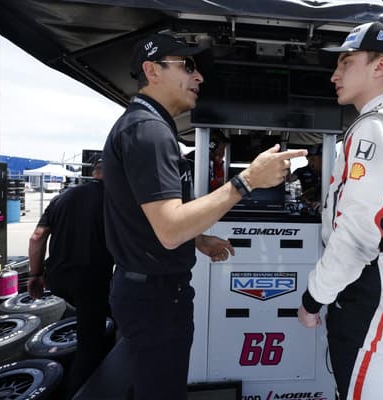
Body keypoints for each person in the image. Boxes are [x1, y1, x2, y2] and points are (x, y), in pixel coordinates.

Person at [102, 33, 307, 400]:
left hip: (148, 291)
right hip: (156, 297)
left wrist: (197, 239)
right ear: (152, 70)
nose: (199, 78)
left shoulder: (145, 127)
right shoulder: (148, 131)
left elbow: (150, 218)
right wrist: (247, 181)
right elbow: (168, 230)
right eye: (188, 66)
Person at [297, 22, 383, 400]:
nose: (334, 75)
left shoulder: (376, 127)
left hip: (374, 282)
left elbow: (357, 237)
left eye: (346, 62)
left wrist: (314, 298)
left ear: (379, 65)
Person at [27, 158, 113, 399]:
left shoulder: (62, 197)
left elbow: (37, 237)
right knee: (90, 345)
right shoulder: (115, 200)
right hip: (91, 280)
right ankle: (79, 392)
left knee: (88, 319)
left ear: (93, 172)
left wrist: (34, 274)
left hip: (57, 278)